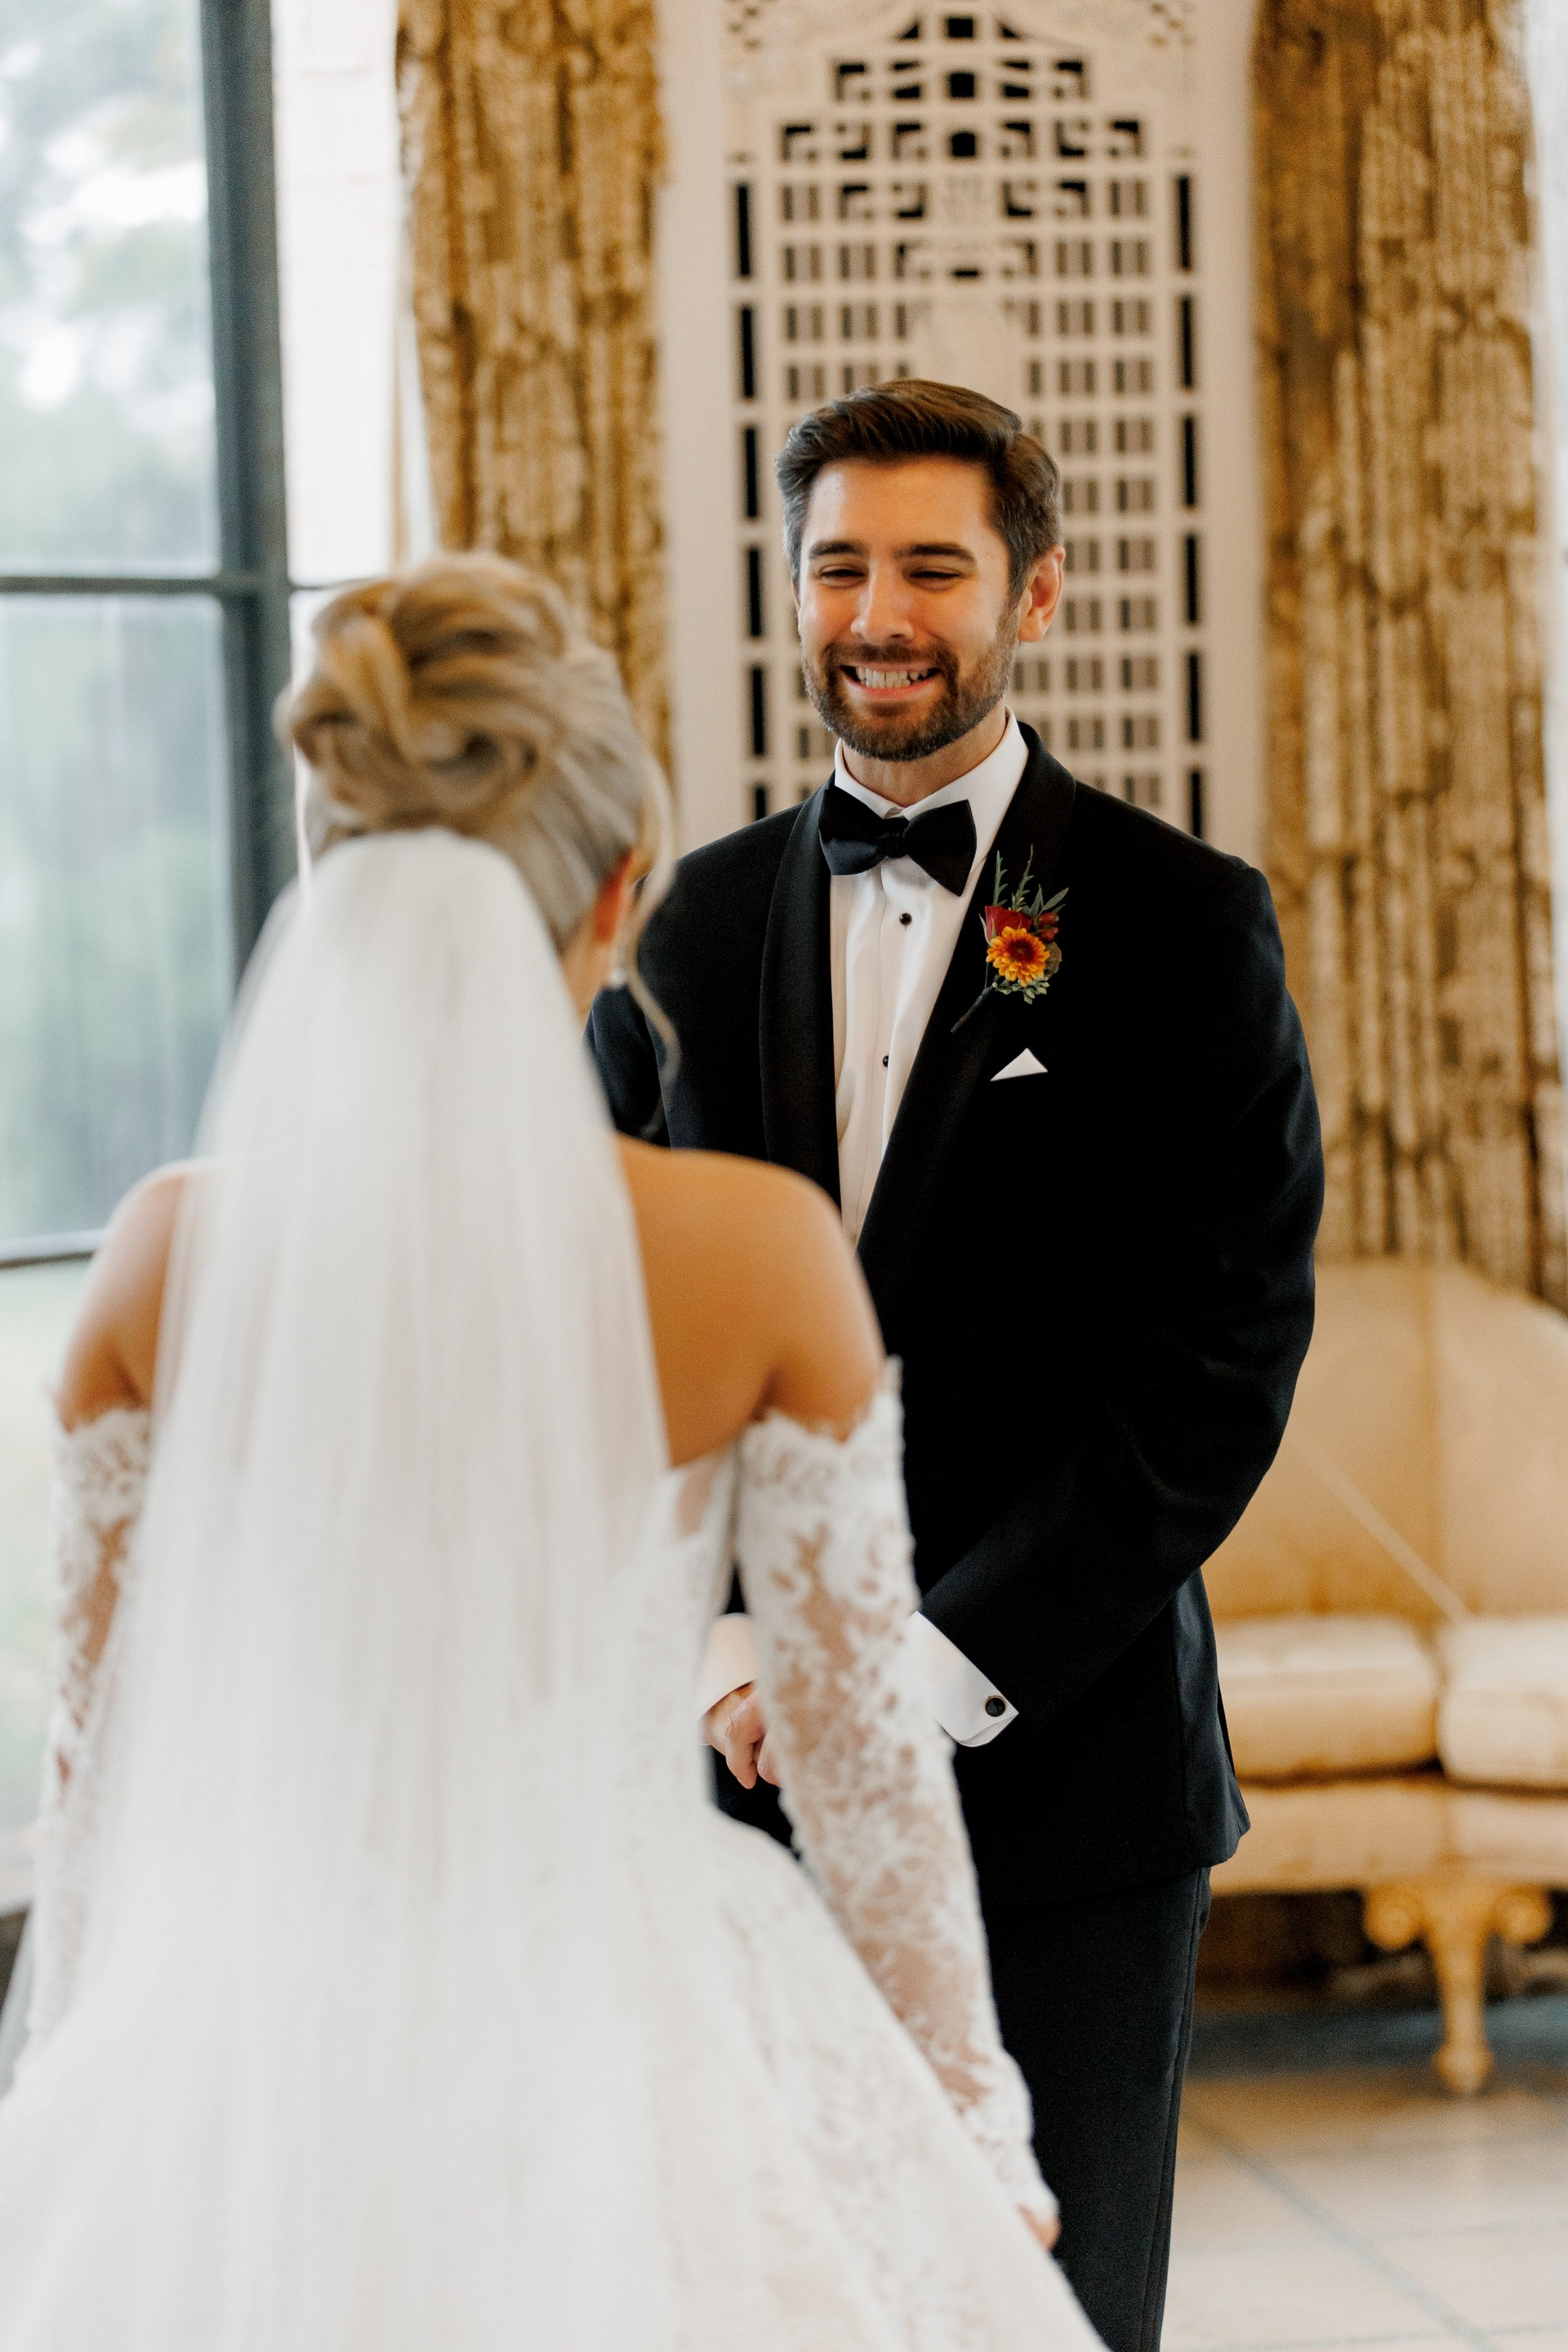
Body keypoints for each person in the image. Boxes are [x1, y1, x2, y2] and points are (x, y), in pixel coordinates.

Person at [0, 552, 1102, 2350]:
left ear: (330, 873)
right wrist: (972, 2113)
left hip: (267, 2049)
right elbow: (862, 1777)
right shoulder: (757, 1259)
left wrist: (86, 2101)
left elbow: (102, 1782)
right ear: (618, 892)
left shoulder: (160, 1259)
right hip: (637, 2009)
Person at [590, 380, 1325, 2352]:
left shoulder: (1181, 926)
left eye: (932, 567)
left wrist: (915, 1670)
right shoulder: (689, 925)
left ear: (1037, 593)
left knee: (1046, 2316)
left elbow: (1219, 1367)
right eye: (840, 566)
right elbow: (608, 1330)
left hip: (1068, 1790)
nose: (879, 615)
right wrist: (725, 1648)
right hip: (733, 1792)